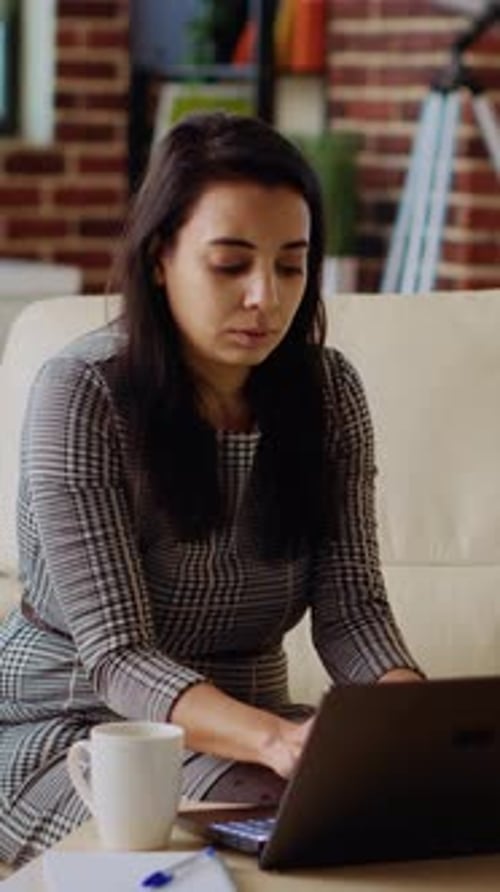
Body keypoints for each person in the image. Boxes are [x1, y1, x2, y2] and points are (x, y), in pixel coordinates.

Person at [0, 111, 422, 867]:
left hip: (254, 741)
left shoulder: (330, 392)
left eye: (291, 265)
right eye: (231, 264)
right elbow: (120, 656)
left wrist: (413, 725)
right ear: (160, 257)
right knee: (259, 844)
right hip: (78, 734)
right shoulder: (83, 392)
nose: (265, 295)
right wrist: (278, 740)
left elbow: (353, 613)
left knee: (383, 823)